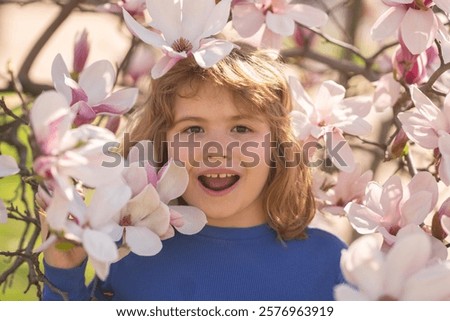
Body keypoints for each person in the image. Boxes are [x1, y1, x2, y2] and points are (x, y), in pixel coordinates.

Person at [41, 43, 347, 301]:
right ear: (161, 145)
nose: (216, 149)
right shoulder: (130, 256)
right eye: (194, 128)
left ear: (278, 146)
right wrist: (63, 275)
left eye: (242, 128)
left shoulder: (331, 264)